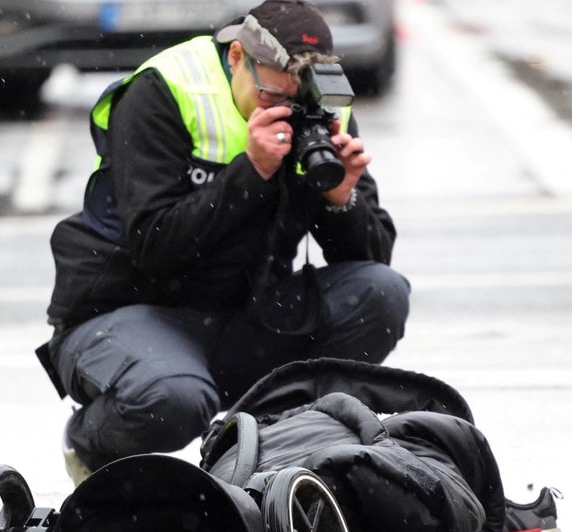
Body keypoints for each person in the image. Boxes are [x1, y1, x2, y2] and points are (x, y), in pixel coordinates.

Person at [36, 0, 411, 484]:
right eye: (273, 93)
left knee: (381, 294)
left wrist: (341, 200)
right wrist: (251, 173)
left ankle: (280, 442)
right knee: (173, 398)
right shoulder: (165, 90)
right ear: (237, 56)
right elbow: (154, 246)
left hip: (250, 309)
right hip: (131, 310)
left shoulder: (323, 109)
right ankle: (89, 445)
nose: (285, 110)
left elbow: (371, 261)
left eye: (298, 99)